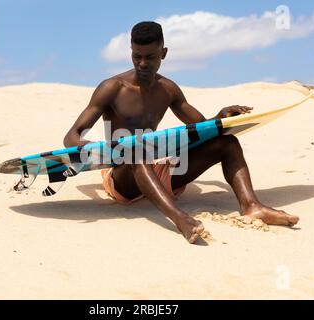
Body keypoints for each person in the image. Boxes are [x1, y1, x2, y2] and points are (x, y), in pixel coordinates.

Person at [64, 21, 299, 244]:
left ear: (163, 53)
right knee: (137, 151)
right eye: (137, 56)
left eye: (150, 57)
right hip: (124, 177)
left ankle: (251, 206)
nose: (143, 64)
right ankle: (180, 218)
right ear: (131, 52)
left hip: (161, 171)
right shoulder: (112, 88)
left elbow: (201, 130)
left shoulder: (168, 90)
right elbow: (71, 135)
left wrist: (219, 118)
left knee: (227, 143)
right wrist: (84, 146)